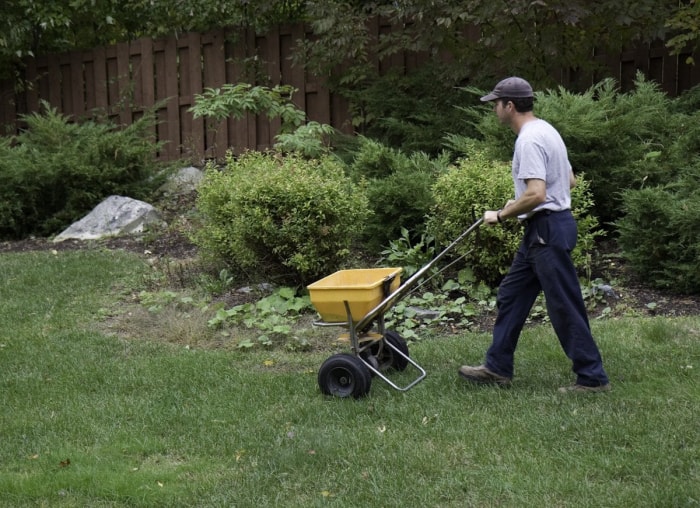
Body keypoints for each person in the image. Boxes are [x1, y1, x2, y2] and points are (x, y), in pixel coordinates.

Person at [458, 77, 610, 393]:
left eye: (496, 104)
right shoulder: (547, 130)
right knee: (512, 295)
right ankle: (497, 367)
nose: (494, 109)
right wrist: (524, 204)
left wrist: (501, 214)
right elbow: (568, 180)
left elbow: (537, 194)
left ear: (509, 106)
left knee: (564, 305)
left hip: (547, 230)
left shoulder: (527, 140)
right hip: (545, 229)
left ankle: (592, 378)